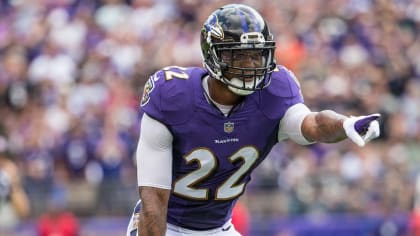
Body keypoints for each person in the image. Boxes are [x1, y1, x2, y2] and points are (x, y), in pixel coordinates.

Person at [126, 4, 381, 236]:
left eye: (256, 55)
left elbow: (313, 124)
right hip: (163, 225)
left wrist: (345, 124)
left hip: (219, 229)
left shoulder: (274, 91)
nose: (250, 64)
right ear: (213, 55)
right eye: (238, 56)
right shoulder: (173, 95)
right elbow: (154, 202)